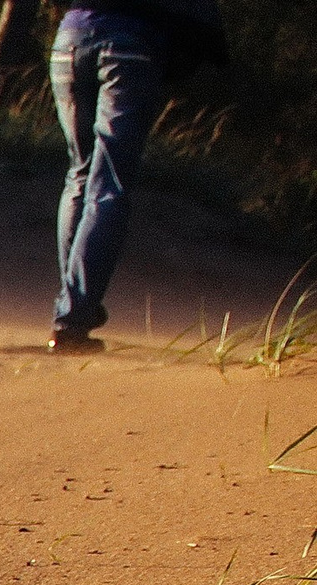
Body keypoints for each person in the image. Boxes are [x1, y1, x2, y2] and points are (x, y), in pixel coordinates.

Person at [49, 0, 228, 353]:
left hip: (69, 38)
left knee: (80, 175)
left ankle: (74, 310)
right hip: (130, 45)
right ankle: (72, 318)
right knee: (108, 185)